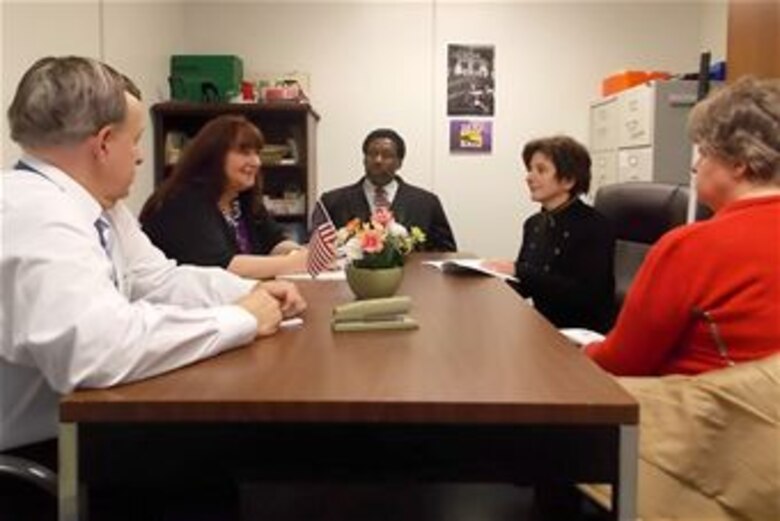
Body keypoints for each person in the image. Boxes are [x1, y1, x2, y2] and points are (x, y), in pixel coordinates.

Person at [0, 57, 306, 462]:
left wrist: (254, 291)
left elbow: (159, 281)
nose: (142, 157)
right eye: (136, 140)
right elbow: (97, 351)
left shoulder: (98, 207)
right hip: (42, 455)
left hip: (84, 422)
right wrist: (242, 318)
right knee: (242, 452)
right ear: (104, 143)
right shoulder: (34, 212)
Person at [585, 77, 780, 376]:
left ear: (739, 162)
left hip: (710, 417)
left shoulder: (692, 247)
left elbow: (621, 363)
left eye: (703, 153)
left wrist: (579, 353)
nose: (694, 166)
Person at [140, 115, 308, 279]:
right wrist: (294, 263)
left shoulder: (241, 198)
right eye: (244, 152)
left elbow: (274, 242)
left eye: (257, 153)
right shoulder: (183, 201)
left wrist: (303, 253)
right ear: (214, 155)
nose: (256, 162)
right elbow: (224, 267)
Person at [483, 136, 615, 333]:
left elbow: (585, 296)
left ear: (568, 180)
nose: (529, 177)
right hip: (542, 327)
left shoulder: (595, 226)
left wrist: (517, 269)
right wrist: (489, 282)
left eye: (541, 170)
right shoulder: (533, 224)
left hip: (580, 334)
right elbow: (527, 285)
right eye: (530, 169)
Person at [318, 128, 457, 252]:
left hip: (412, 279)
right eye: (372, 154)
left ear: (399, 162)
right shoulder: (332, 202)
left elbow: (446, 253)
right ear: (364, 159)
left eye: (387, 155)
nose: (378, 160)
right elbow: (316, 251)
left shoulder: (427, 203)